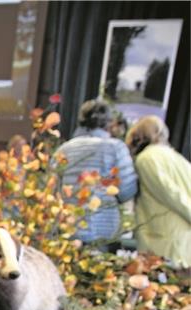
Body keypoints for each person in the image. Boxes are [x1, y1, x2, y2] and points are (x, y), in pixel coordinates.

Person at [53, 99, 138, 247]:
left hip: (67, 229)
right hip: (102, 230)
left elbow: (52, 191)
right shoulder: (115, 148)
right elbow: (127, 191)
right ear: (109, 123)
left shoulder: (64, 149)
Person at [125, 116, 191, 268]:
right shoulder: (178, 158)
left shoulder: (147, 159)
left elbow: (171, 194)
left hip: (165, 240)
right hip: (183, 239)